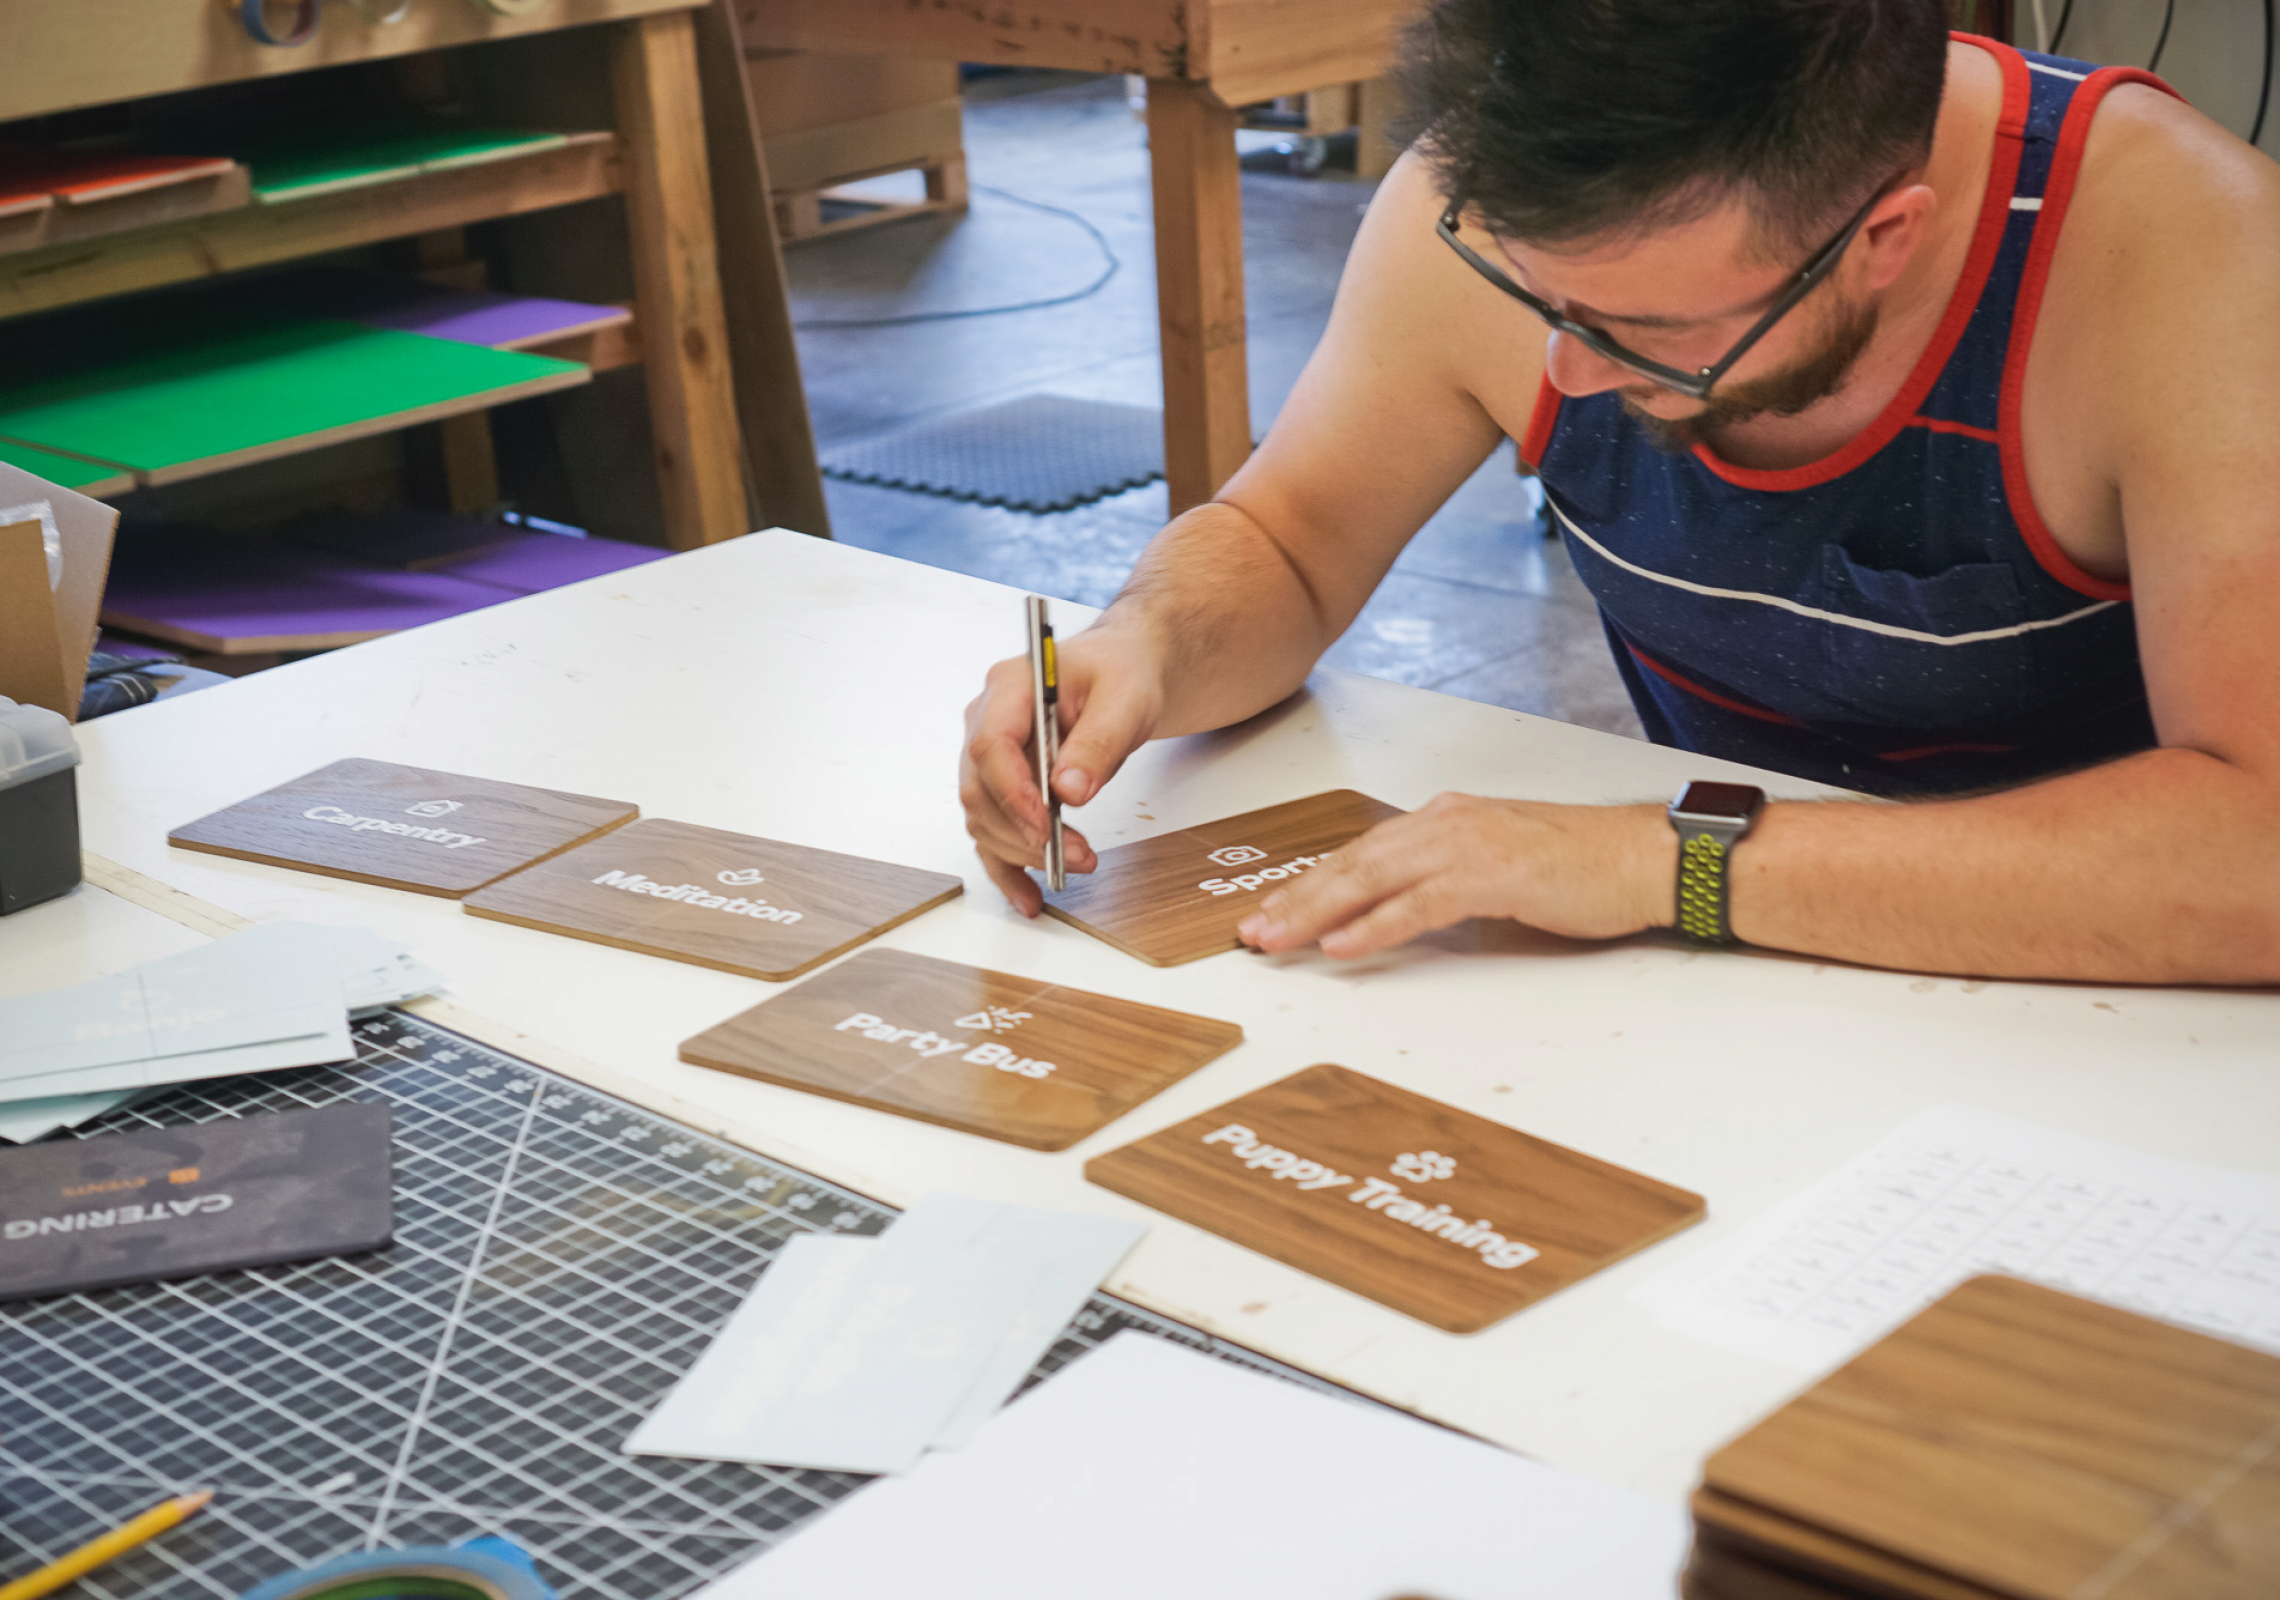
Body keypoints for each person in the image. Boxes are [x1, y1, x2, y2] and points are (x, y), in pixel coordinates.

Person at [958, 0, 2280, 986]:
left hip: (2117, 1020)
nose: (1564, 369)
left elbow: (2257, 848)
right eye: (1536, 292)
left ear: (1883, 240)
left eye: (1642, 328)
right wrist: (1144, 646)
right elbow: (1288, 538)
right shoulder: (1480, 211)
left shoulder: (2187, 259)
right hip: (1729, 982)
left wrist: (1664, 858)